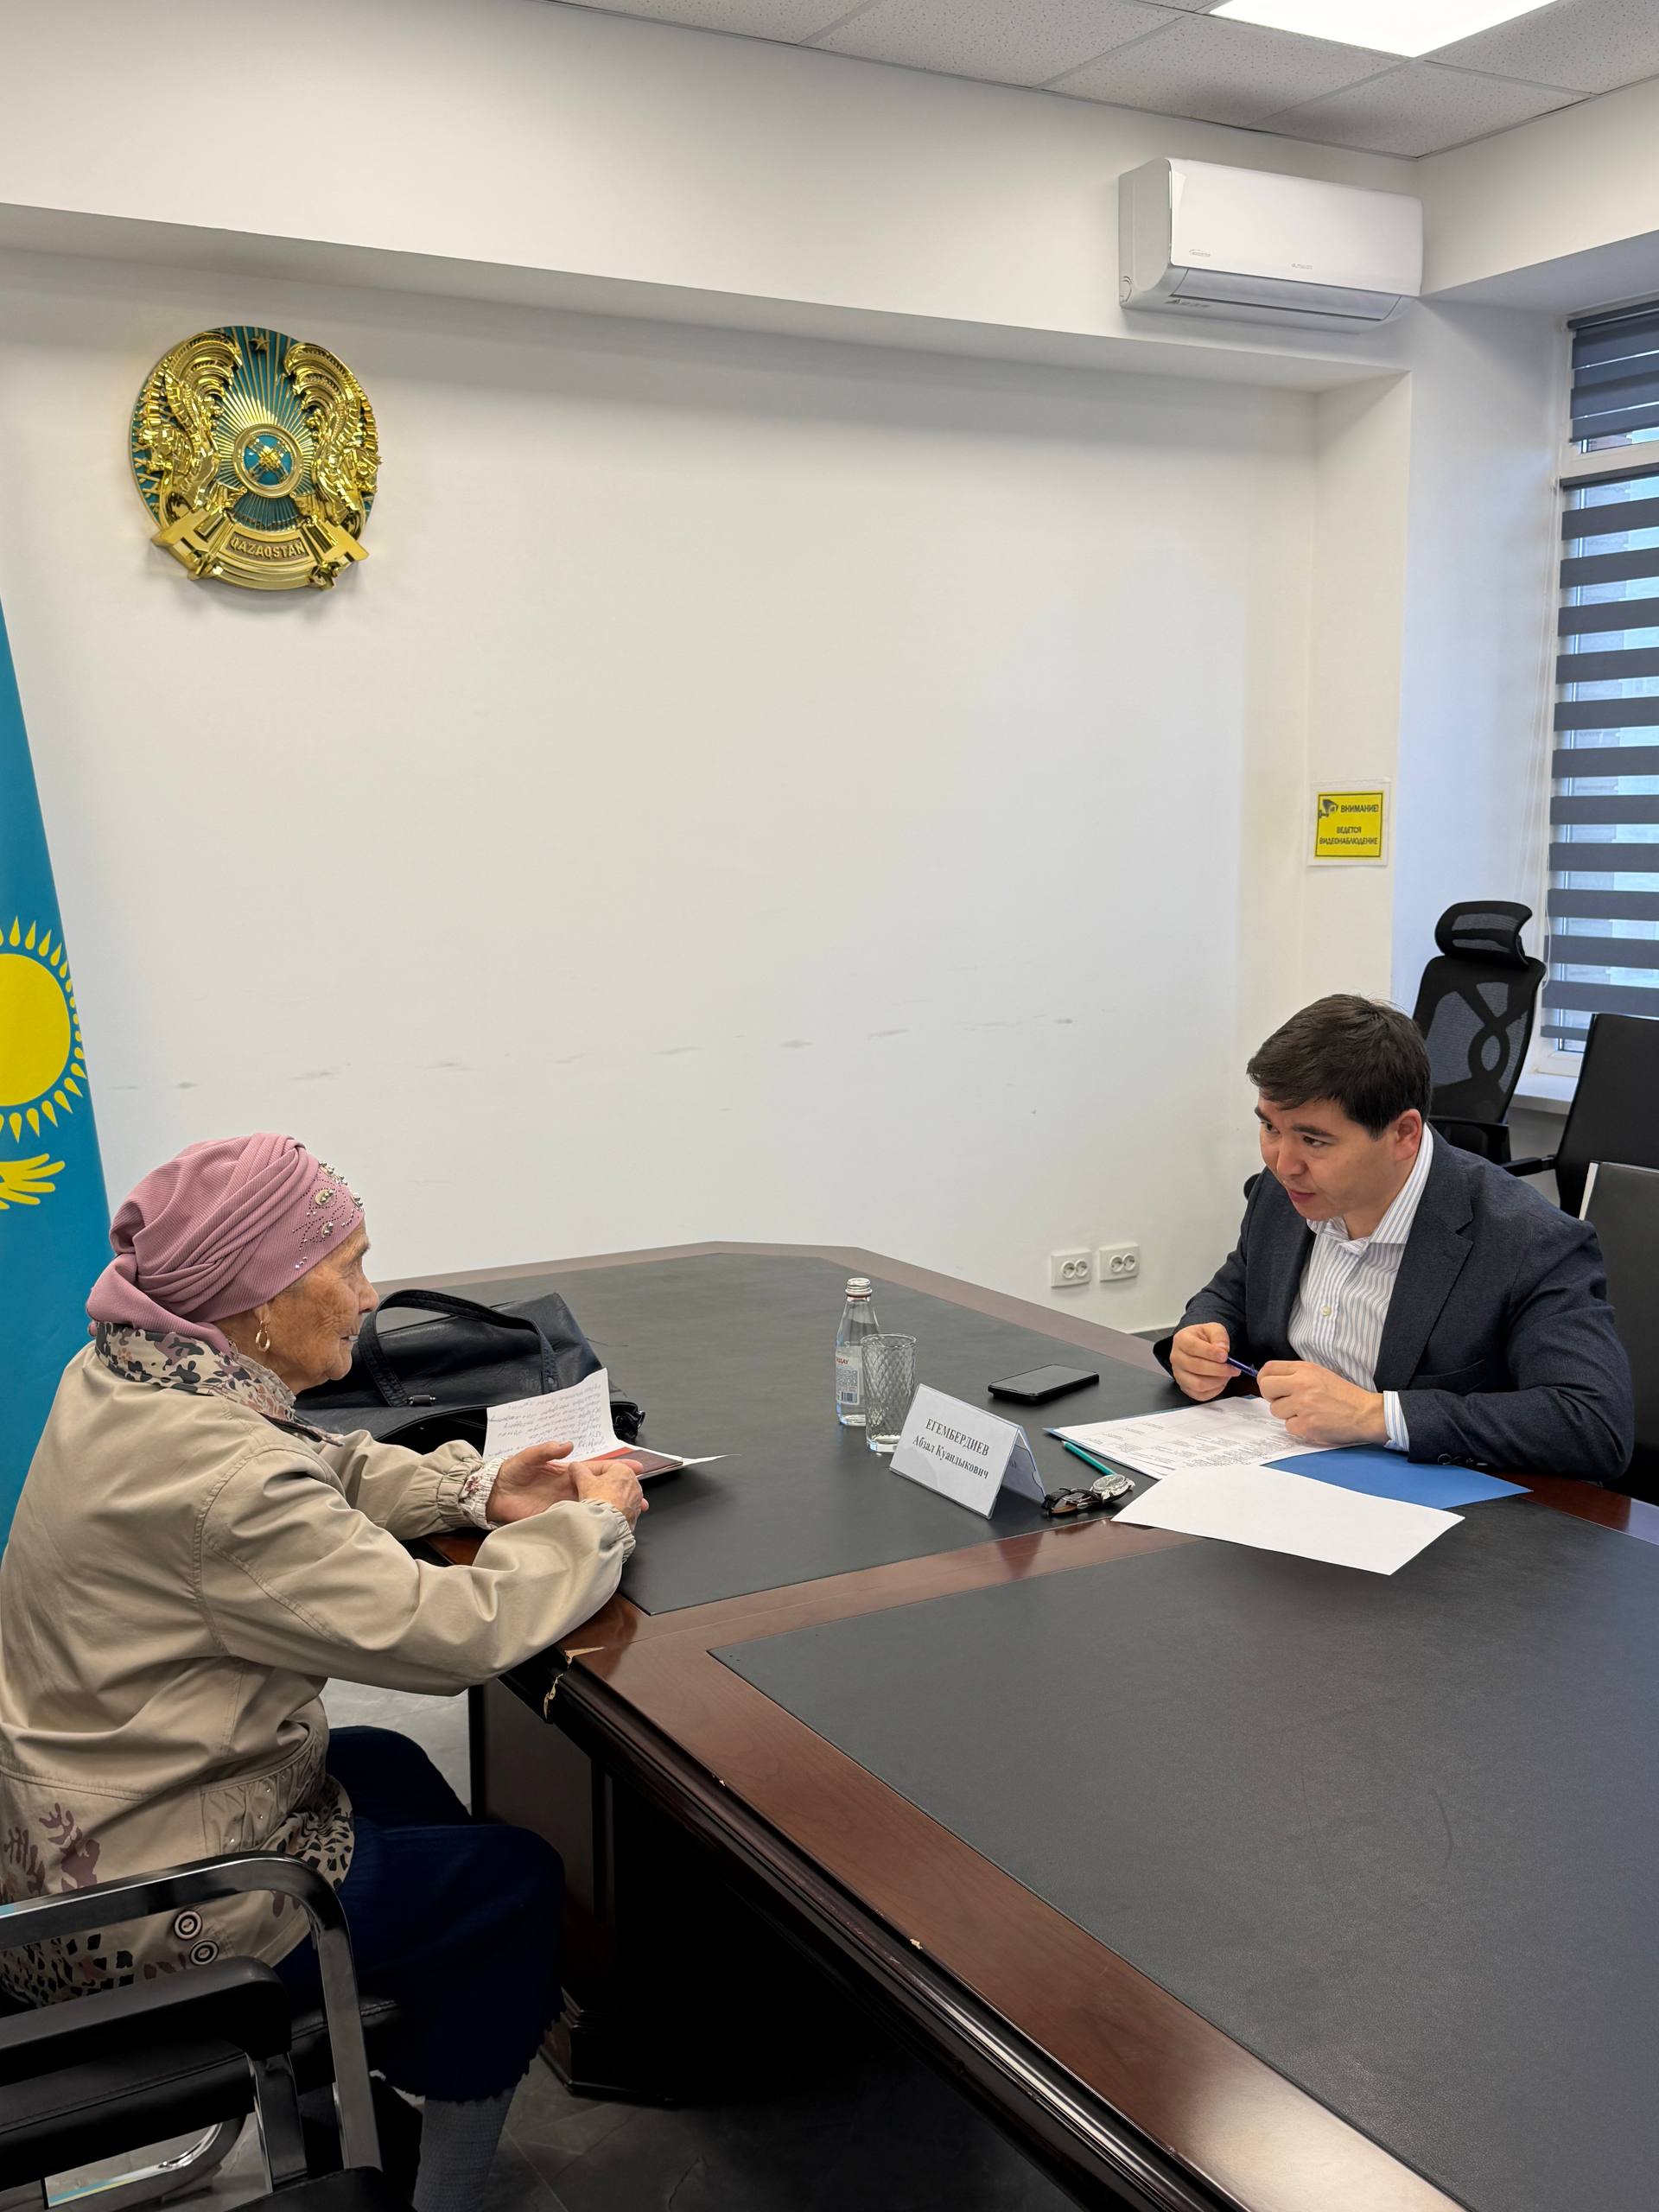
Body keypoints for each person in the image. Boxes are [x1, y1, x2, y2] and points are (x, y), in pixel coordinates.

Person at [0, 1134, 648, 2212]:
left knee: (387, 1763)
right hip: (152, 1913)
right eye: (349, 1267)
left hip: (63, 1841)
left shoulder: (127, 1372)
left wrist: (473, 1491)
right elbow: (452, 1632)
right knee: (518, 1885)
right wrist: (592, 1524)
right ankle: (444, 2186)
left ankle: (364, 2054)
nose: (370, 1295)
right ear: (260, 1300)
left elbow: (303, 1462)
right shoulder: (228, 1478)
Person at [1157, 995, 1634, 1482]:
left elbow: (1592, 1425)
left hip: (1443, 1499)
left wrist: (1374, 1415)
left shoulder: (1529, 1240)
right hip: (1276, 1468)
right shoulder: (1282, 1194)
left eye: (1314, 1140)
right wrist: (1200, 1338)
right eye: (1269, 1127)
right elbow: (1233, 1292)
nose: (1284, 1163)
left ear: (1404, 1133)